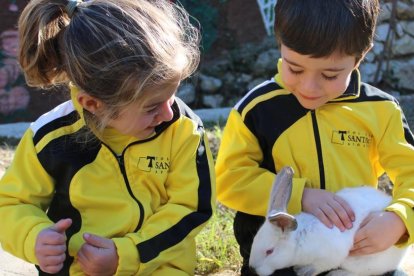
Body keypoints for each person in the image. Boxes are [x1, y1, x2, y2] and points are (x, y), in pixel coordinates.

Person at [0, 0, 215, 275]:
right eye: (151, 107)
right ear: (93, 105)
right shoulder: (50, 138)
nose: (169, 113)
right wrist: (34, 237)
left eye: (172, 95)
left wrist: (128, 255)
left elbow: (192, 208)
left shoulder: (184, 129)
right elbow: (12, 204)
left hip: (161, 268)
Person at [215, 0, 414, 275]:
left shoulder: (381, 110)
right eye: (294, 68)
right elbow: (230, 180)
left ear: (361, 56)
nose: (309, 87)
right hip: (276, 260)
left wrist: (400, 219)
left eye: (330, 74)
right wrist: (301, 196)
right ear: (280, 44)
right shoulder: (256, 109)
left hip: (355, 252)